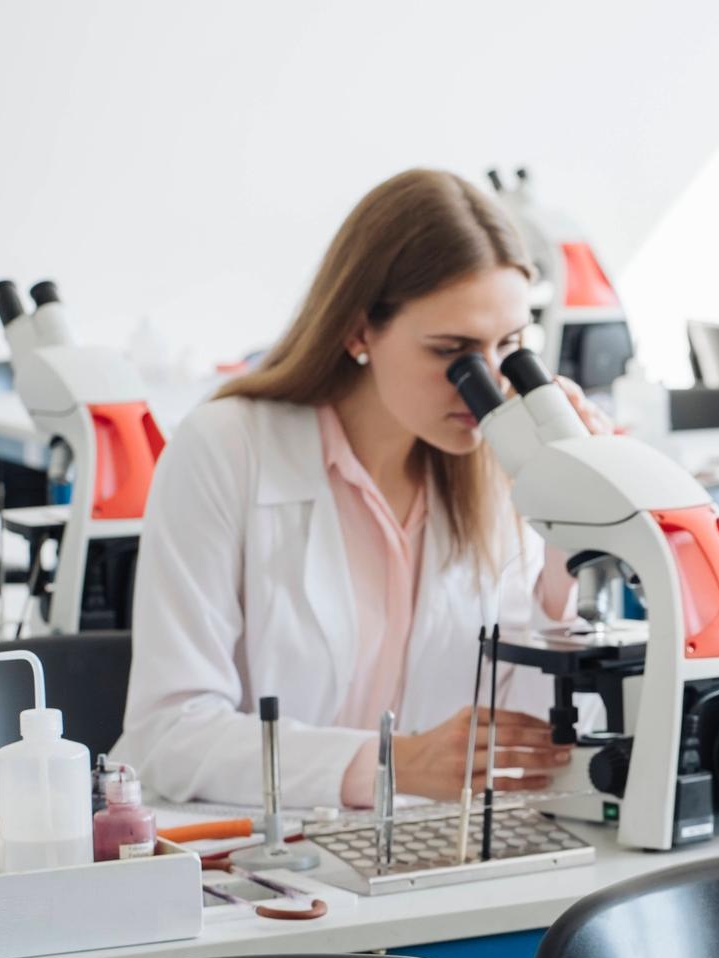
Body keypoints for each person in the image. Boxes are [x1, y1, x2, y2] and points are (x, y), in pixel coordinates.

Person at [113, 168, 610, 809]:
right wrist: (388, 764)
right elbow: (166, 735)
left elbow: (529, 745)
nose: (485, 384)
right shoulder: (225, 449)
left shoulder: (503, 470)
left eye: (509, 347)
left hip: (434, 857)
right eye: (452, 352)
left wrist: (563, 567)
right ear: (357, 331)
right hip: (259, 868)